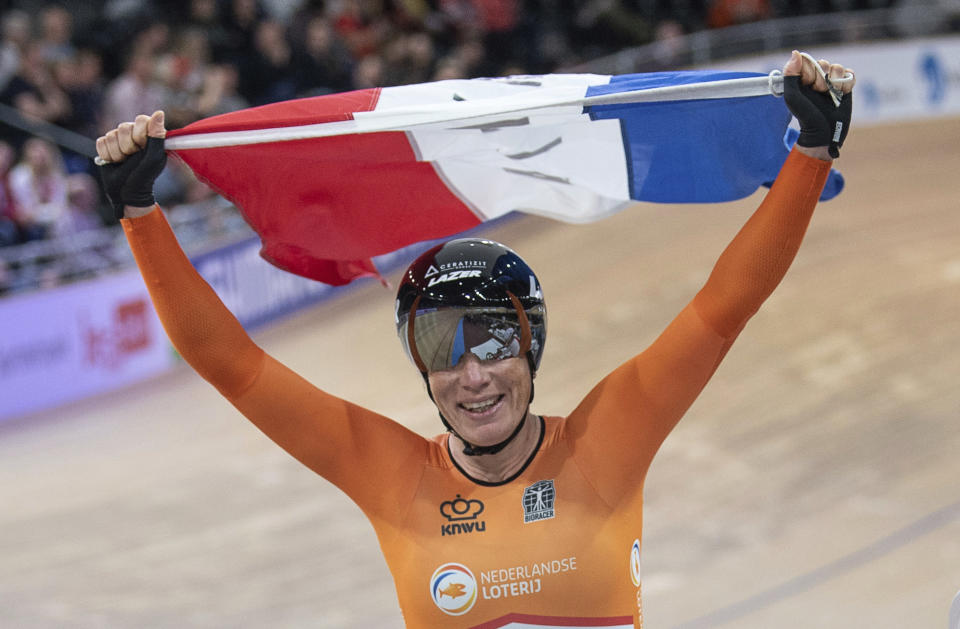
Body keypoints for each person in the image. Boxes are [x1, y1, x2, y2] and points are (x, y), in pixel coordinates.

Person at [95, 51, 854, 627]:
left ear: (532, 349)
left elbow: (726, 306)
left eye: (493, 343)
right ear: (422, 370)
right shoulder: (391, 476)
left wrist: (808, 154)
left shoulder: (605, 443)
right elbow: (231, 365)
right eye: (443, 351)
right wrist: (141, 215)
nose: (473, 376)